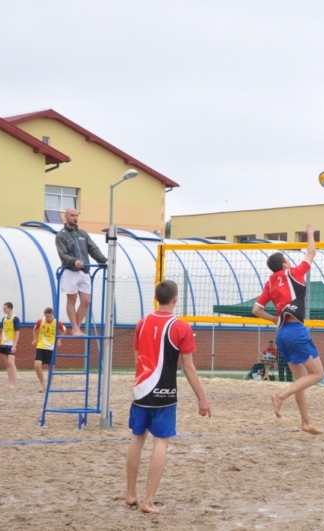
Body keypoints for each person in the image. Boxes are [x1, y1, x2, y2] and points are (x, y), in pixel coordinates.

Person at [125, 280, 212, 513]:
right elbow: (188, 368)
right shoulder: (181, 327)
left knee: (136, 439)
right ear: (175, 299)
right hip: (164, 393)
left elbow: (137, 358)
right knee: (161, 442)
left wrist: (141, 383)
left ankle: (131, 494)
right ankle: (148, 501)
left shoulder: (142, 323)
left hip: (141, 389)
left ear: (156, 298)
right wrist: (202, 398)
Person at [252, 223, 324, 435]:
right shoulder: (294, 273)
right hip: (295, 331)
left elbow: (256, 310)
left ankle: (306, 422)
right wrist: (310, 232)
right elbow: (311, 252)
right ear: (284, 264)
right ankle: (280, 395)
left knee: (300, 379)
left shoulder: (270, 283)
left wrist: (274, 318)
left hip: (282, 333)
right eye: (287, 260)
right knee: (318, 374)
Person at [55, 208, 107, 335]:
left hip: (84, 271)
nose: (75, 218)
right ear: (66, 217)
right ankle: (75, 328)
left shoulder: (83, 234)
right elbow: (63, 254)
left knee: (86, 301)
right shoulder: (61, 235)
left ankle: (75, 328)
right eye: (72, 215)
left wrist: (103, 260)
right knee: (72, 299)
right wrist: (74, 261)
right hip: (70, 271)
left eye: (76, 215)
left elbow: (93, 248)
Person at [31, 307, 65, 393]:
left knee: (51, 367)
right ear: (44, 316)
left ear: (53, 315)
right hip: (41, 346)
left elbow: (64, 330)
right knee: (37, 365)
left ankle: (49, 386)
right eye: (47, 317)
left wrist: (59, 339)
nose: (49, 318)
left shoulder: (57, 322)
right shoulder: (40, 321)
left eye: (50, 316)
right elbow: (35, 330)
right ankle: (43, 384)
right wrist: (35, 339)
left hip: (51, 347)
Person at [0, 302, 20, 388]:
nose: (3, 309)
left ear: (10, 308)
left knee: (11, 363)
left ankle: (14, 383)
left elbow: (17, 333)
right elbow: (2, 332)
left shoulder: (15, 318)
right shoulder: (4, 319)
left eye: (5, 308)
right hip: (3, 343)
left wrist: (14, 345)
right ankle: (10, 382)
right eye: (3, 308)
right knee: (7, 364)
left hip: (11, 344)